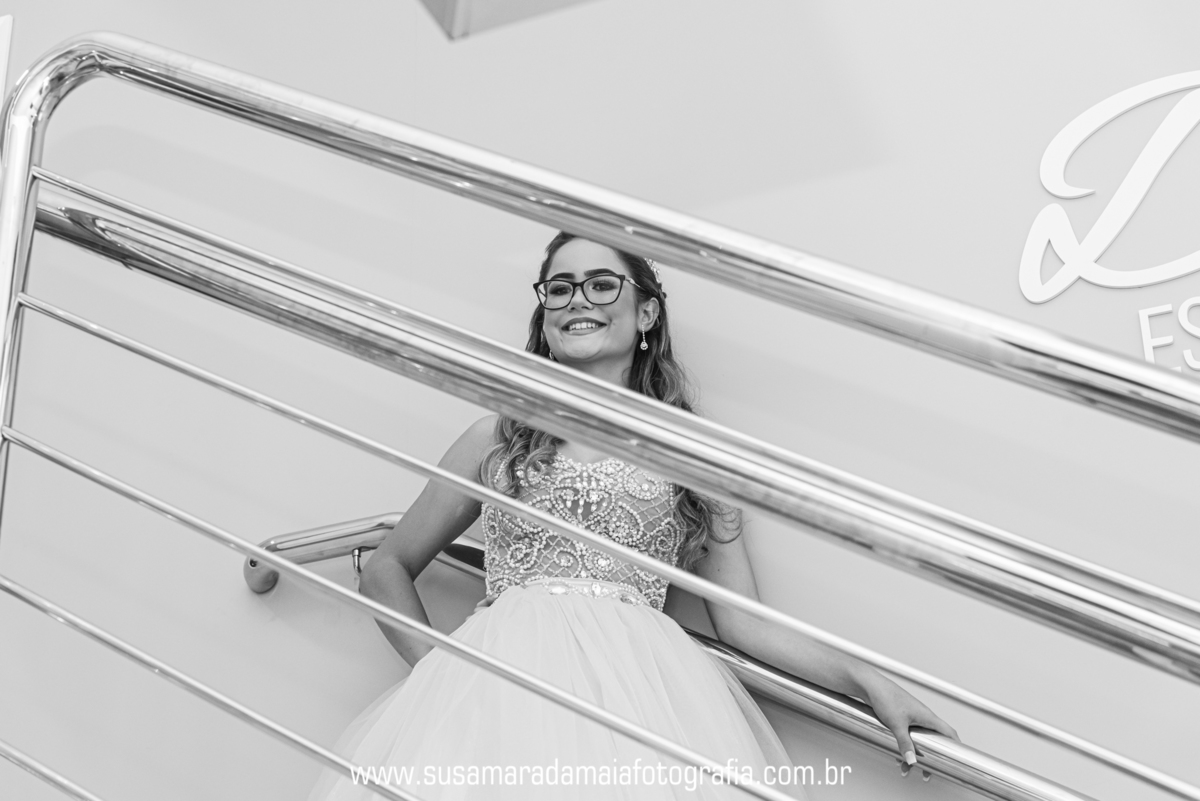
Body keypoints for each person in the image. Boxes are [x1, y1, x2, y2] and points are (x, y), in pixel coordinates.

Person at [307, 232, 959, 800]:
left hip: (641, 704)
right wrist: (442, 674)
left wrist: (869, 682)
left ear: (646, 311)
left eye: (600, 284)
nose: (577, 301)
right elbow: (389, 565)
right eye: (559, 289)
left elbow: (744, 622)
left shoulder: (696, 458)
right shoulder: (495, 437)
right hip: (498, 690)